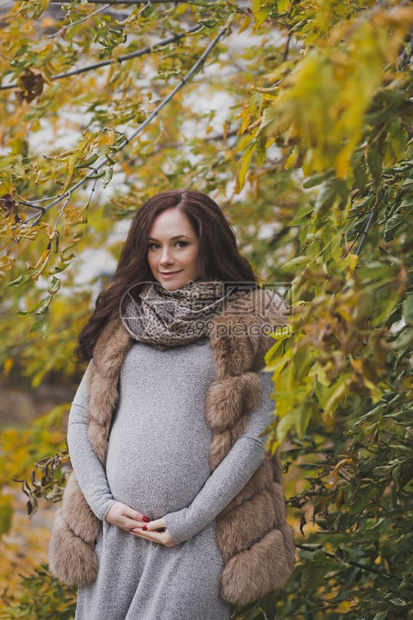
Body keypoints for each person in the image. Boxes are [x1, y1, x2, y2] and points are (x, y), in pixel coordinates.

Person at [57, 189, 294, 619]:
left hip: (198, 537)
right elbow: (80, 417)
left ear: (208, 244)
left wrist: (191, 519)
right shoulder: (125, 318)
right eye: (154, 245)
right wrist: (104, 505)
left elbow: (257, 435)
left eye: (179, 243)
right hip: (115, 538)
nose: (164, 258)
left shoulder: (252, 320)